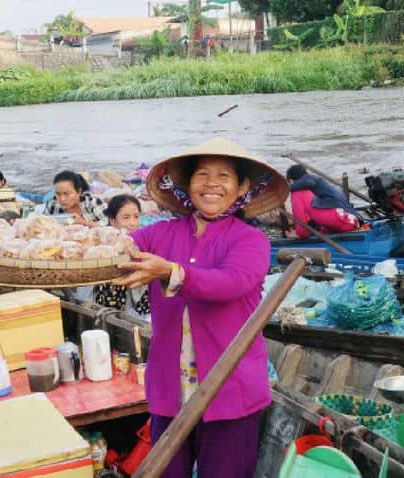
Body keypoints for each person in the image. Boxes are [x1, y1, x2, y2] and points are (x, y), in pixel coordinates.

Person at [113, 137, 289, 477]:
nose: (211, 184)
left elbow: (231, 282)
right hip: (170, 389)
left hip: (231, 391)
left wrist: (171, 272)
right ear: (187, 184)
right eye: (202, 174)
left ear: (242, 187)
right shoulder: (159, 235)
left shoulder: (251, 240)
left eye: (224, 176)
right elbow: (119, 248)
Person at [93, 195, 149, 317]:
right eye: (126, 218)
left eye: (136, 217)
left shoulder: (143, 239)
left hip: (138, 297)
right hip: (113, 295)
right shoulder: (105, 243)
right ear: (112, 220)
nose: (132, 223)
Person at [285, 165, 361, 238]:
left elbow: (301, 220)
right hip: (344, 216)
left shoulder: (301, 187)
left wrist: (300, 234)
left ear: (291, 180)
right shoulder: (311, 186)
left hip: (339, 216)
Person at [44, 170, 108, 227]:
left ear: (79, 192)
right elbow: (43, 222)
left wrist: (83, 222)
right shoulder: (52, 204)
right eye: (58, 194)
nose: (62, 199)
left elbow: (107, 223)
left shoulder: (92, 202)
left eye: (67, 194)